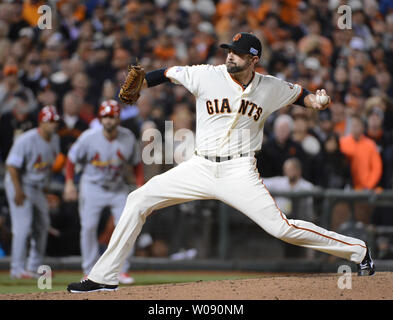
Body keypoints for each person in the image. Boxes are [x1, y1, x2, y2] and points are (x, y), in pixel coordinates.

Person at [68, 32, 375, 293]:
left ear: (253, 60)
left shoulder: (270, 87)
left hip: (239, 170)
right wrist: (142, 85)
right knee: (138, 199)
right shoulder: (207, 74)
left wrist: (317, 101)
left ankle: (358, 250)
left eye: (238, 54)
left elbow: (302, 95)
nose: (231, 57)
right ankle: (104, 278)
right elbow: (167, 73)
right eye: (230, 51)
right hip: (199, 166)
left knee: (282, 228)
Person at [63, 99, 144, 285]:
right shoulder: (88, 137)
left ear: (118, 119)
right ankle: (89, 271)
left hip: (117, 187)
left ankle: (121, 270)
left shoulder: (128, 137)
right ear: (100, 118)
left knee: (127, 225)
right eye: (106, 116)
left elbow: (136, 164)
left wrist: (140, 184)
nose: (109, 120)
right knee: (89, 227)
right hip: (92, 186)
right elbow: (71, 159)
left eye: (112, 116)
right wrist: (69, 183)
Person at [4, 105, 60, 279]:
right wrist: (18, 191)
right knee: (23, 226)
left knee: (43, 224)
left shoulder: (55, 139)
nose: (52, 124)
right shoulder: (26, 140)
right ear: (40, 122)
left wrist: (46, 188)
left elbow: (48, 167)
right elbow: (12, 167)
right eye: (48, 121)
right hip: (18, 182)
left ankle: (34, 266)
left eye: (54, 121)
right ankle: (16, 269)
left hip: (37, 186)